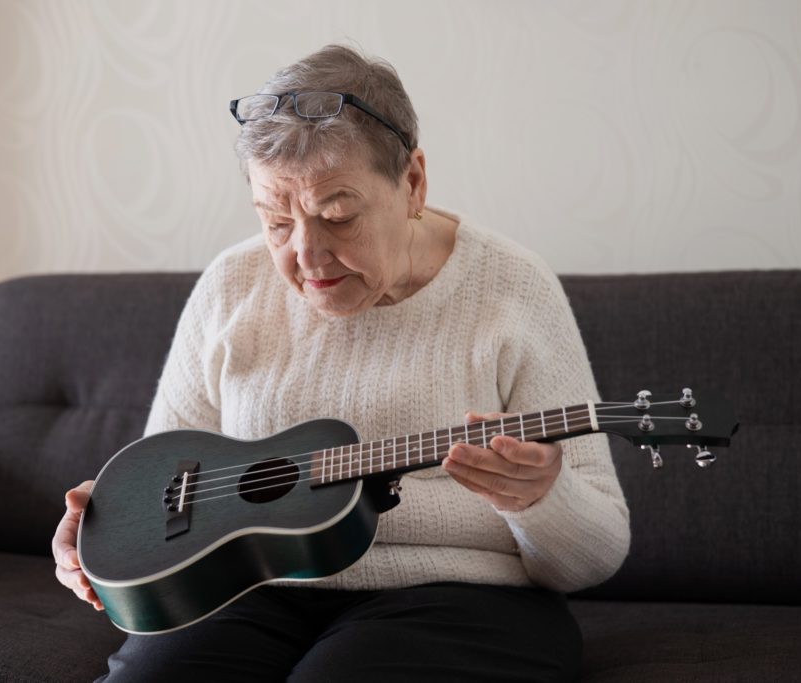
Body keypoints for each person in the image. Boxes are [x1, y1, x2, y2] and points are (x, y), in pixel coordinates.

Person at [52, 44, 630, 682]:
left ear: (411, 183)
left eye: (338, 216)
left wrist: (541, 497)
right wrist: (105, 537)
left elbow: (594, 558)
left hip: (461, 596)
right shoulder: (231, 285)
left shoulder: (512, 290)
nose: (307, 255)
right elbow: (160, 481)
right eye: (276, 221)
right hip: (252, 589)